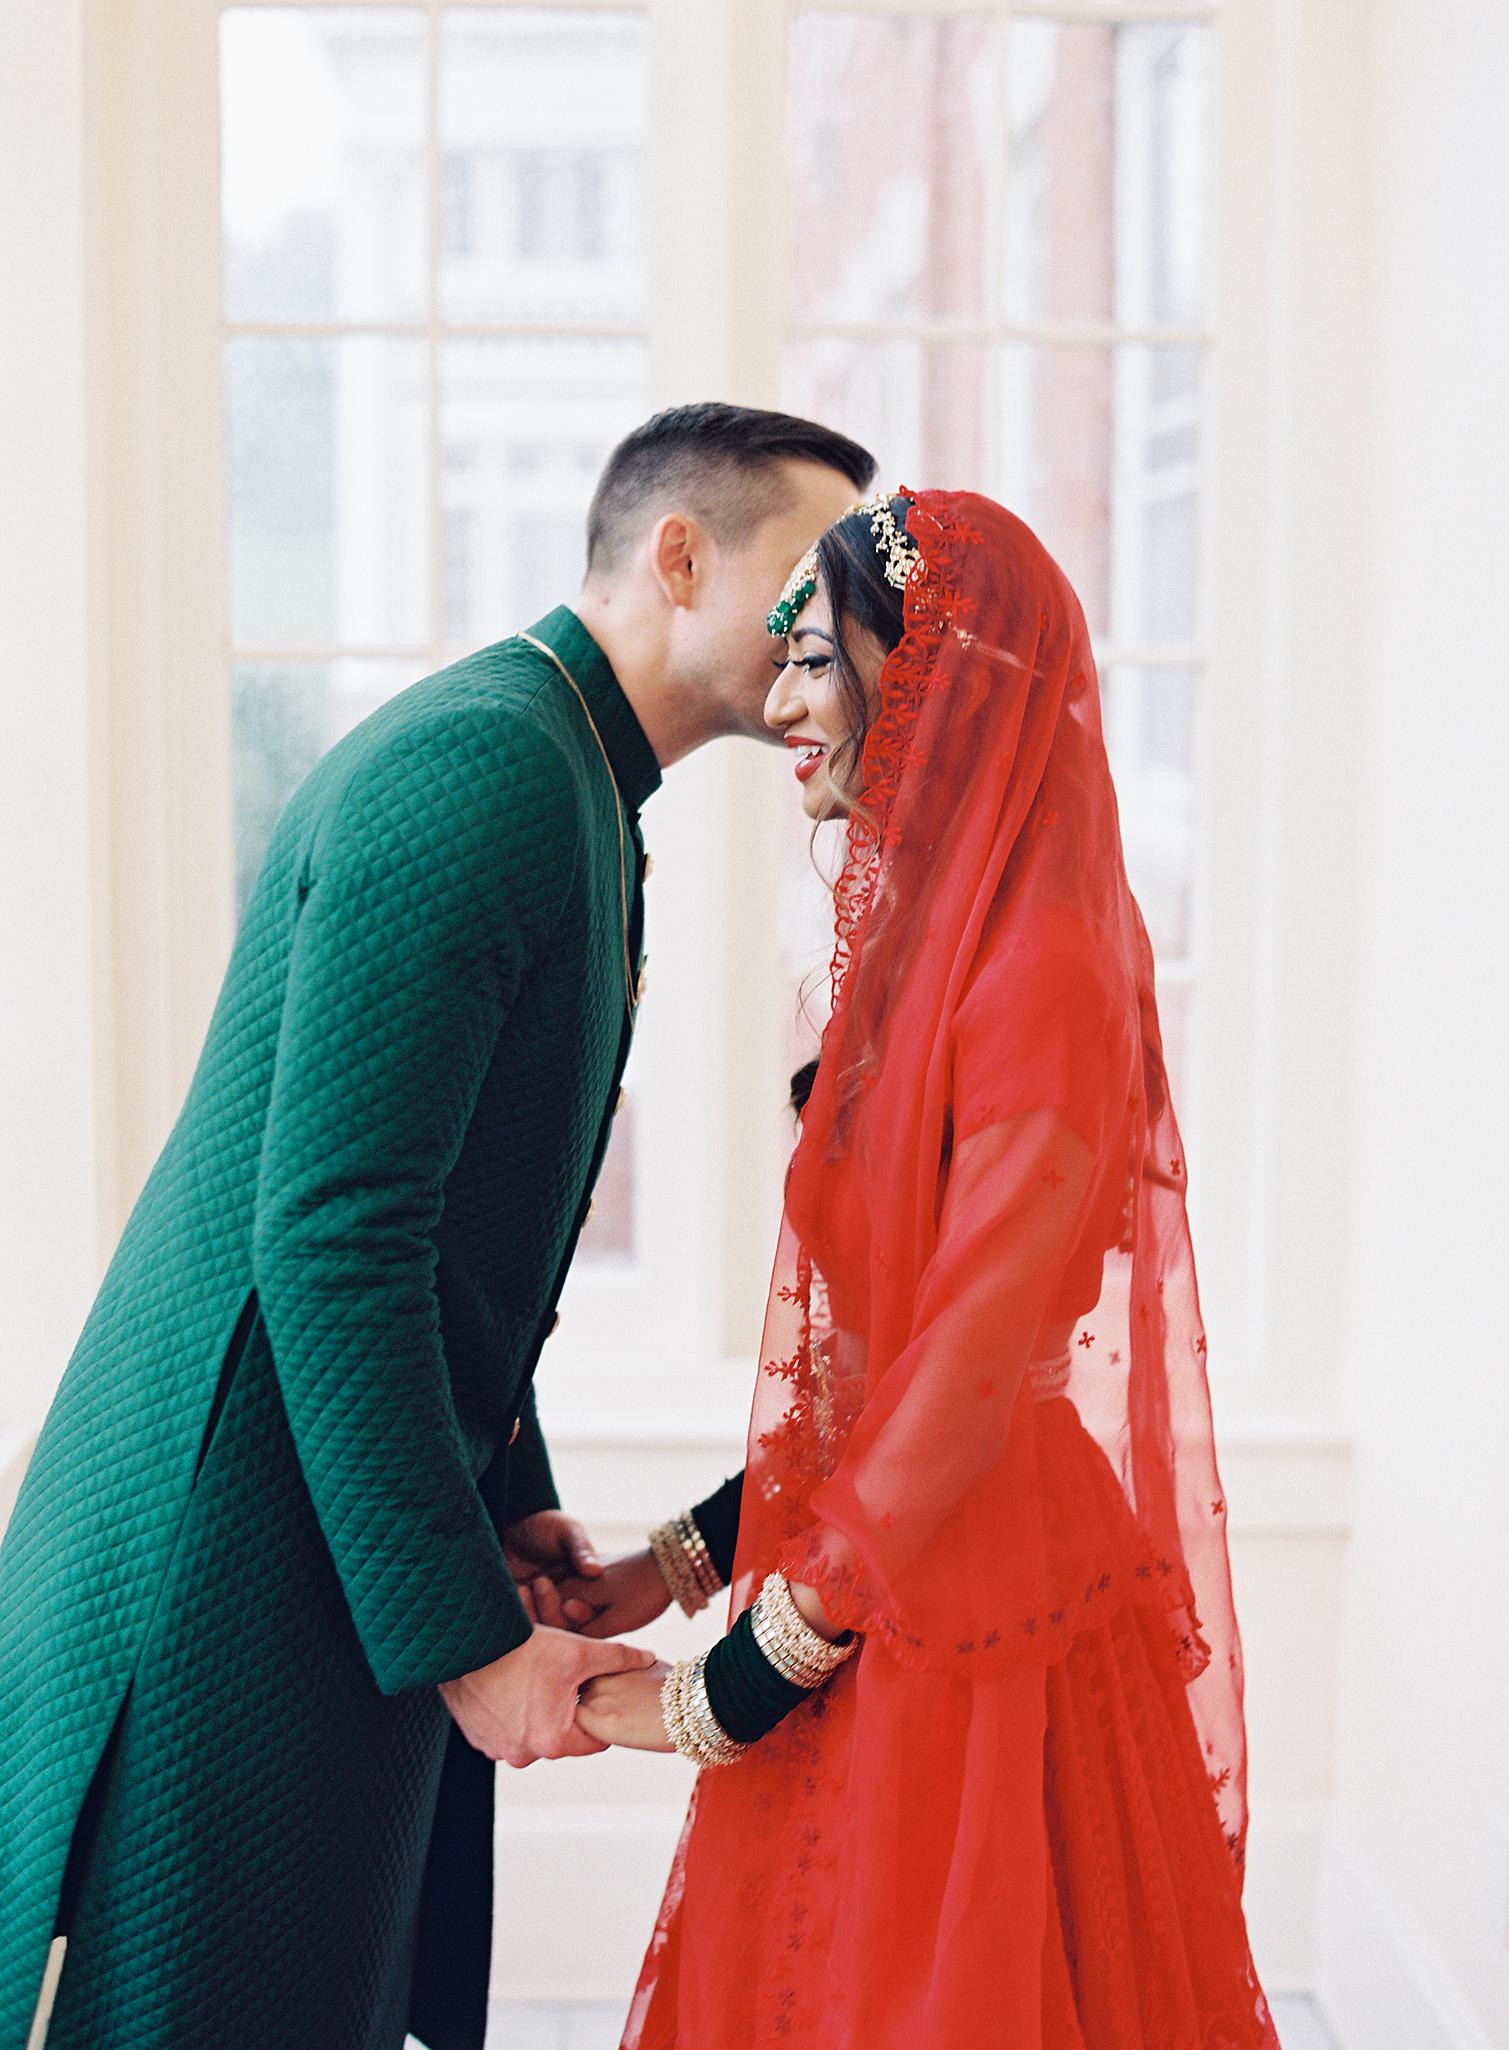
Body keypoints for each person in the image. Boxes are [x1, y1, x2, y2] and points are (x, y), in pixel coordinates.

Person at [0, 403, 874, 2050]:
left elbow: (459, 1251)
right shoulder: (488, 766)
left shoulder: (571, 782)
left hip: (323, 1541)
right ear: (677, 556)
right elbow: (333, 1236)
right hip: (232, 1568)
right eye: (798, 572)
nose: (827, 620)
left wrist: (511, 1508)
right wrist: (468, 1644)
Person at [564, 489, 1282, 2049]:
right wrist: (669, 1563)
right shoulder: (948, 943)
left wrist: (723, 1687)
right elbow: (869, 1379)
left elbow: (955, 1383)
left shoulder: (1043, 972)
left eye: (814, 662)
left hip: (971, 1615)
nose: (775, 707)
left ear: (933, 683)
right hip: (884, 1569)